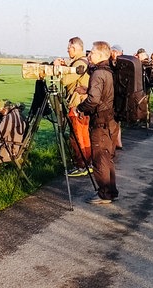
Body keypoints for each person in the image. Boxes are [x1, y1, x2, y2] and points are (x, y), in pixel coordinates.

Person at [73, 41, 119, 204]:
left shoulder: (99, 73)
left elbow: (93, 100)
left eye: (92, 52)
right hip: (110, 120)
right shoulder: (109, 70)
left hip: (100, 121)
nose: (89, 55)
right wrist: (88, 89)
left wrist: (79, 108)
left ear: (100, 55)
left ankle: (105, 194)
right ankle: (111, 191)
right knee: (107, 157)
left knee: (99, 158)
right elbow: (106, 92)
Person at [54, 37, 92, 177]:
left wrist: (58, 66)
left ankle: (81, 165)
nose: (67, 50)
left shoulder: (79, 63)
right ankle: (88, 163)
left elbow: (64, 80)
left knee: (76, 136)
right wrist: (67, 65)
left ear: (75, 48)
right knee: (84, 135)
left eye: (69, 47)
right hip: (84, 104)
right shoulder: (84, 61)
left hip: (76, 105)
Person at [110, 44, 124, 150]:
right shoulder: (109, 62)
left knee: (117, 118)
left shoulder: (123, 64)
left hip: (119, 93)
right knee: (114, 119)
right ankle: (117, 141)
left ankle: (117, 141)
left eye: (115, 51)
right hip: (113, 93)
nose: (113, 53)